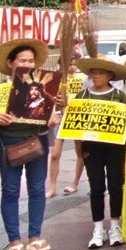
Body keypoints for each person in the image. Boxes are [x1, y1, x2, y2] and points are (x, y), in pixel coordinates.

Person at [0, 38, 60, 250]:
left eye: (31, 61)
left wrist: (53, 116)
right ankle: (14, 241)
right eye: (22, 60)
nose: (28, 64)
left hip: (38, 142)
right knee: (11, 190)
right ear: (10, 63)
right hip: (8, 144)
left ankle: (35, 237)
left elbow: (54, 111)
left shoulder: (44, 88)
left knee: (36, 189)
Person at [74, 56, 126, 248]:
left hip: (115, 147)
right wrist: (79, 149)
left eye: (100, 72)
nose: (96, 76)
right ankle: (98, 227)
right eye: (93, 72)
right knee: (96, 187)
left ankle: (115, 225)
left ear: (110, 75)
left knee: (116, 186)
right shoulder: (82, 96)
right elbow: (75, 125)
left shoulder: (119, 96)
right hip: (92, 149)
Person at [46, 55, 85, 198]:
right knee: (55, 154)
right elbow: (49, 100)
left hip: (77, 118)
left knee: (80, 152)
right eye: (69, 64)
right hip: (60, 117)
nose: (72, 67)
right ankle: (52, 187)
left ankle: (75, 183)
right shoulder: (56, 80)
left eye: (75, 64)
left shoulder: (83, 79)